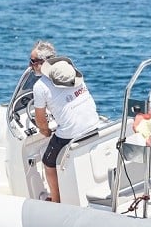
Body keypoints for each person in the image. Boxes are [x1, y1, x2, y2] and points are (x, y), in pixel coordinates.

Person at [28, 40, 100, 203]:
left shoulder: (40, 86)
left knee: (48, 159)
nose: (30, 65)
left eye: (32, 62)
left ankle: (56, 199)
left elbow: (40, 119)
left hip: (72, 133)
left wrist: (45, 132)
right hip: (94, 124)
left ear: (41, 63)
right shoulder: (71, 72)